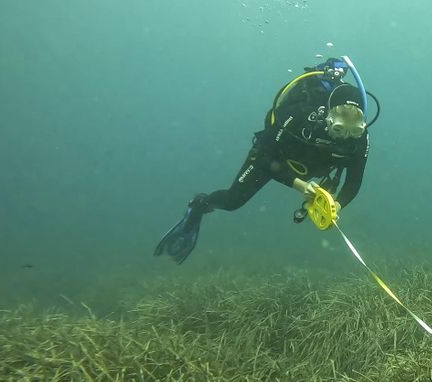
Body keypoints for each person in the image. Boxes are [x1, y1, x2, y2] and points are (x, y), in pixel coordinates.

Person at [154, 57, 378, 264]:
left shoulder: (361, 140)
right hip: (273, 159)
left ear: (363, 126)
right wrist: (298, 184)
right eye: (338, 129)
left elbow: (353, 181)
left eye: (354, 132)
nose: (345, 138)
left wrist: (336, 205)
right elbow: (263, 156)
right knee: (232, 201)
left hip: (308, 170)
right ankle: (198, 207)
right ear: (326, 116)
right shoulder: (300, 117)